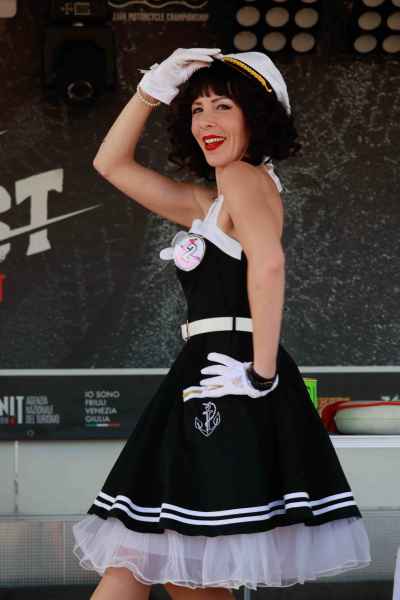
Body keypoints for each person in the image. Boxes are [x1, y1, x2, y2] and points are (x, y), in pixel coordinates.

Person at [72, 48, 371, 599]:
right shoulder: (209, 200)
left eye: (223, 106)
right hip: (204, 375)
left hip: (225, 377)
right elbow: (109, 165)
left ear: (256, 116)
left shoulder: (241, 176)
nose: (206, 120)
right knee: (166, 559)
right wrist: (149, 91)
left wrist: (260, 373)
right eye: (196, 108)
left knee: (145, 554)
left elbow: (269, 263)